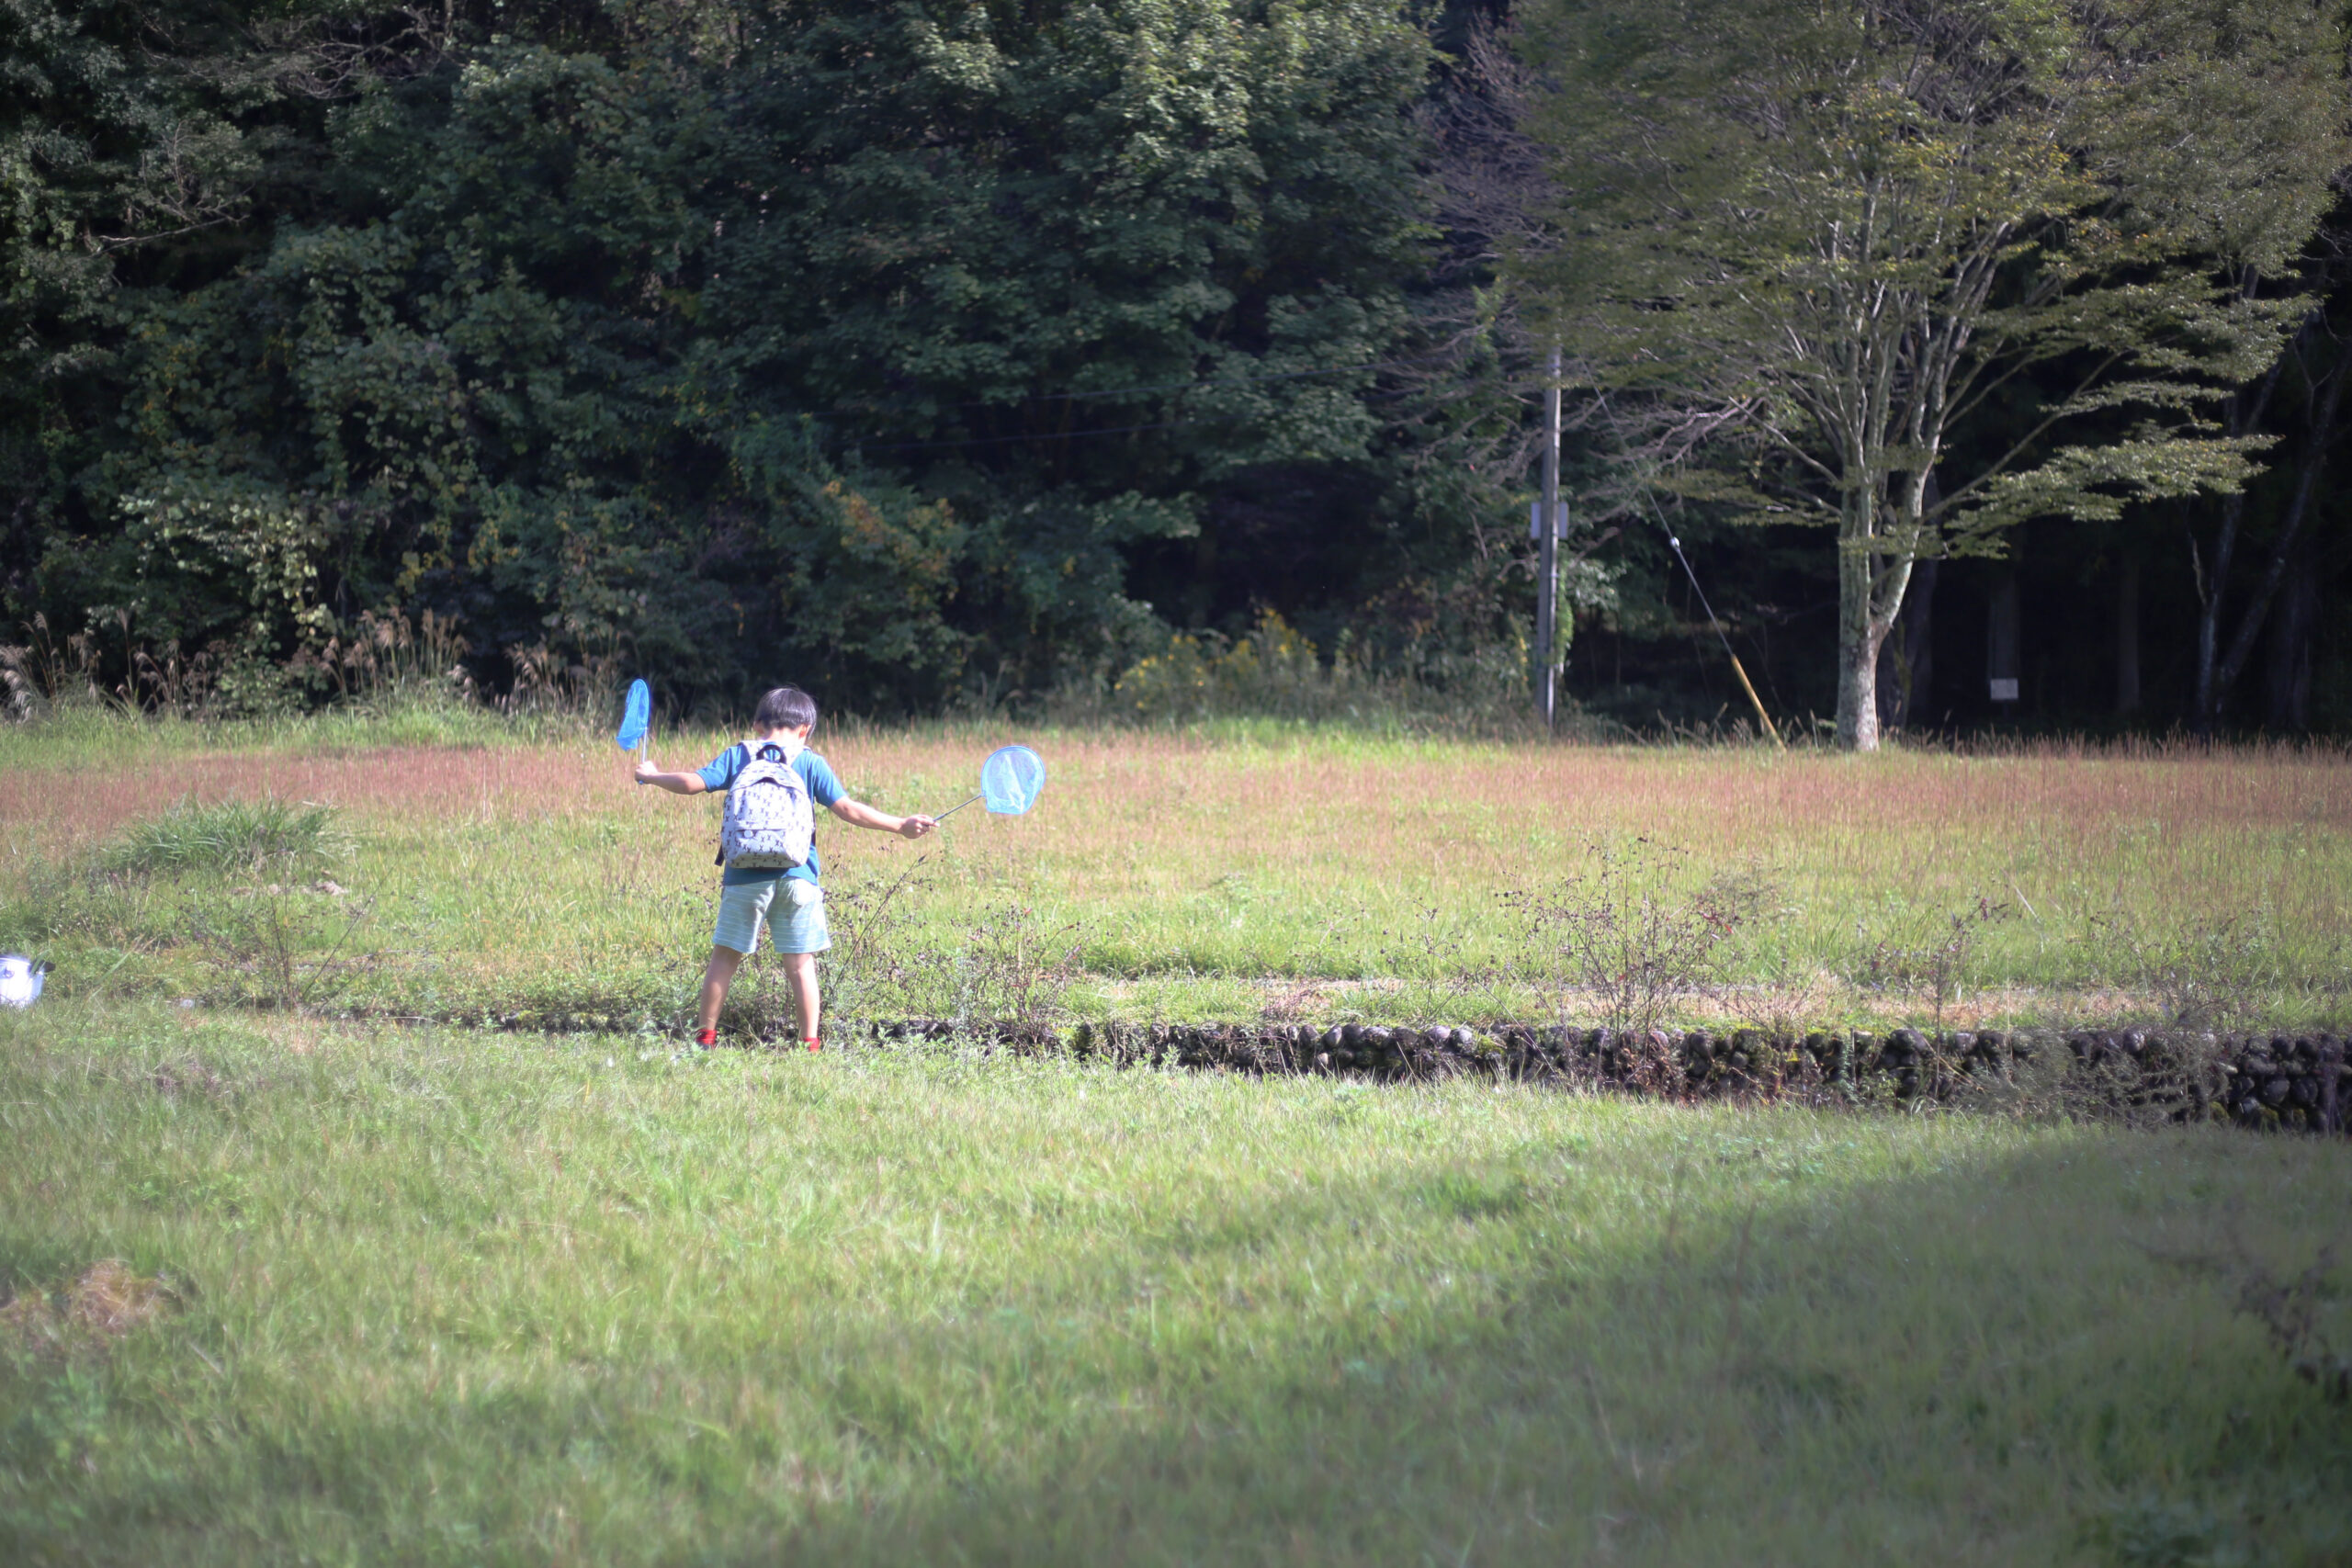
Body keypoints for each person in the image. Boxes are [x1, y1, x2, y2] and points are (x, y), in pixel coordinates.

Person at [633, 685, 933, 1050]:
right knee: (800, 966)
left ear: (758, 724)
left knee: (724, 960)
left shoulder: (738, 755)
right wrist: (900, 825)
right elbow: (848, 809)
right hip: (798, 876)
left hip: (743, 876)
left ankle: (705, 1039)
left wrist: (651, 775)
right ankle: (809, 1045)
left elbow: (692, 783)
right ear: (806, 728)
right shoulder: (809, 761)